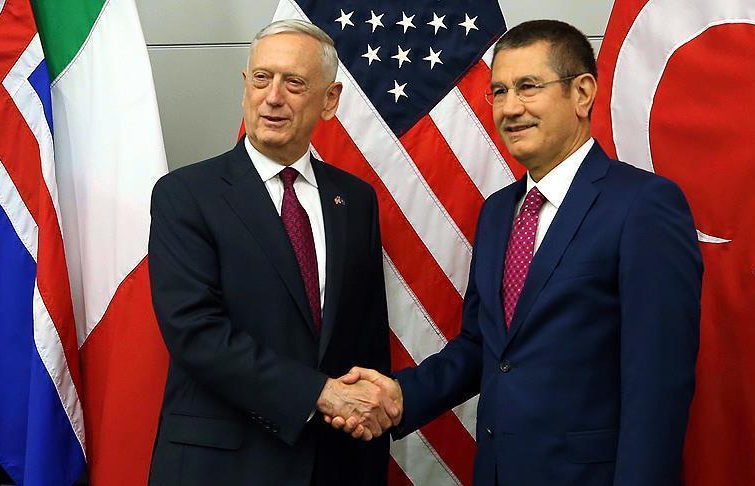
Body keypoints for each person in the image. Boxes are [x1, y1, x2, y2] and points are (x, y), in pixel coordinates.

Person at [331, 19, 703, 486]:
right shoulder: (497, 212)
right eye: (499, 91)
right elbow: (483, 347)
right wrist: (401, 395)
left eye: (528, 87)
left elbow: (658, 385)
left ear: (582, 93)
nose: (509, 108)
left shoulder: (643, 205)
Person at [147, 19, 395, 486]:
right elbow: (195, 332)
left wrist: (369, 418)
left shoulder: (355, 200)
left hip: (334, 464)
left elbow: (366, 338)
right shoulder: (185, 195)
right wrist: (318, 393)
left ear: (330, 100)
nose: (273, 97)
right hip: (221, 467)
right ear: (246, 85)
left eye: (294, 83)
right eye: (262, 78)